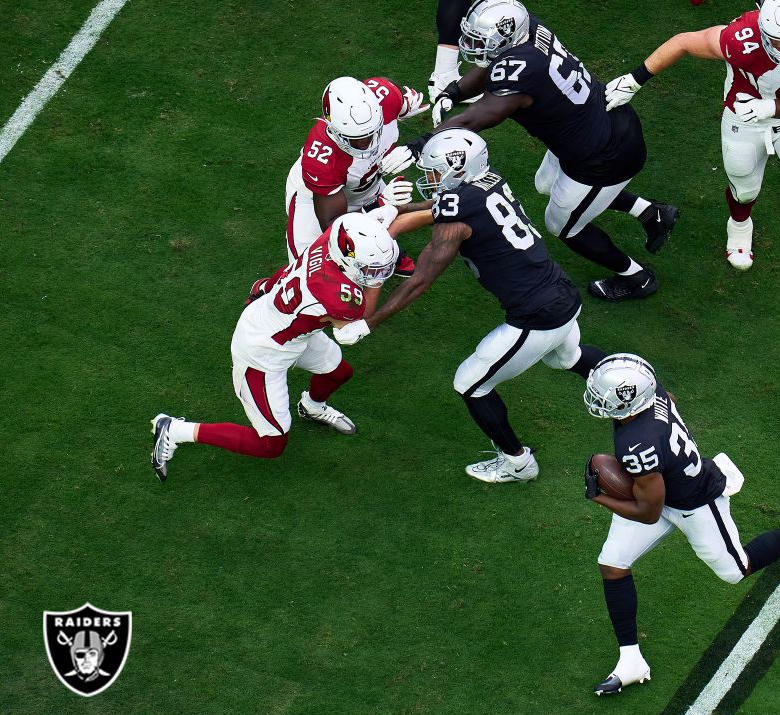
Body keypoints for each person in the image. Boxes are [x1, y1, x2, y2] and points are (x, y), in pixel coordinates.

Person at [334, 129, 606, 483]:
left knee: (470, 383)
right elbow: (445, 206)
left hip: (537, 315)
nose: (428, 181)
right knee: (566, 358)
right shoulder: (488, 182)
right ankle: (647, 391)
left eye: (433, 174)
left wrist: (370, 323)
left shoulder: (456, 219)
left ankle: (518, 463)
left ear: (456, 170)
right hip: (560, 292)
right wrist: (393, 212)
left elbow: (422, 279)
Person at [581, 353, 780, 694]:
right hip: (661, 488)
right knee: (613, 564)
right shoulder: (653, 395)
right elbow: (667, 416)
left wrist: (600, 497)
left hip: (695, 502)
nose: (598, 401)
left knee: (736, 569)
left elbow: (649, 511)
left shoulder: (636, 444)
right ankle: (631, 659)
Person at [416, 0, 680, 302]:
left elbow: (480, 115)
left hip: (603, 155)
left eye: (481, 40)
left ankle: (636, 277)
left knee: (562, 225)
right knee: (546, 185)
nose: (473, 46)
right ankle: (652, 213)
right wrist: (456, 90)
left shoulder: (521, 67)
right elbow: (493, 67)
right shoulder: (527, 28)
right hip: (593, 124)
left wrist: (421, 143)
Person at [605, 0, 780, 283]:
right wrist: (635, 79)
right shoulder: (741, 39)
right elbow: (684, 42)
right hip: (745, 120)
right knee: (744, 191)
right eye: (776, 39)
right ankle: (739, 224)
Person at [150, 211, 403, 481]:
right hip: (263, 354)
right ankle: (175, 429)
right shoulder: (340, 298)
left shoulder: (332, 236)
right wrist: (366, 321)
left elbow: (354, 232)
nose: (378, 275)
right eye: (371, 269)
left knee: (338, 372)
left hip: (287, 327)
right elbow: (352, 325)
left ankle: (312, 407)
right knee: (271, 444)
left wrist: (380, 218)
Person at [283, 76, 426, 268]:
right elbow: (333, 224)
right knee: (306, 265)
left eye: (371, 133)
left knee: (384, 217)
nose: (366, 143)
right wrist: (379, 204)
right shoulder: (322, 158)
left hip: (366, 184)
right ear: (333, 128)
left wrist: (407, 118)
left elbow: (399, 104)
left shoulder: (387, 97)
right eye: (356, 138)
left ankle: (385, 250)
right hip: (316, 197)